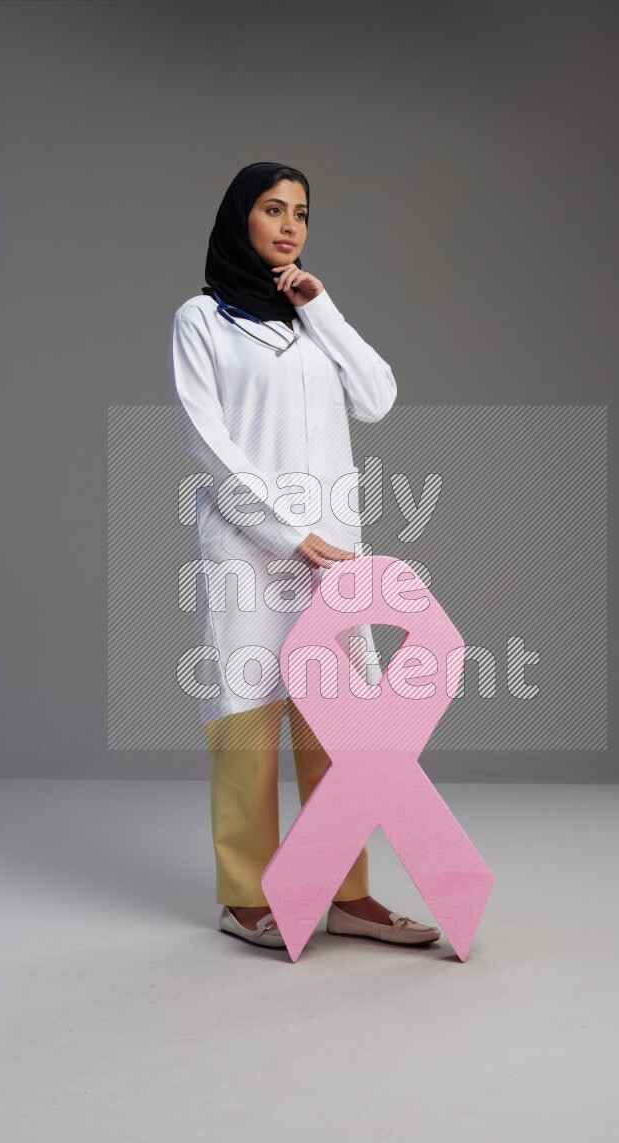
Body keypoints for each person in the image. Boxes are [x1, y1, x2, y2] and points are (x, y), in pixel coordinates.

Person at [170, 161, 440, 950]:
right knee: (246, 715)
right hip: (248, 551)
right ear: (240, 218)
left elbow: (378, 397)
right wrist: (285, 531)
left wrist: (322, 307)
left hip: (333, 556)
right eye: (272, 208)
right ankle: (245, 896)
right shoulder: (202, 320)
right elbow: (205, 441)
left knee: (340, 723)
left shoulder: (309, 319)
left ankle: (347, 894)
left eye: (302, 212)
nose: (290, 225)